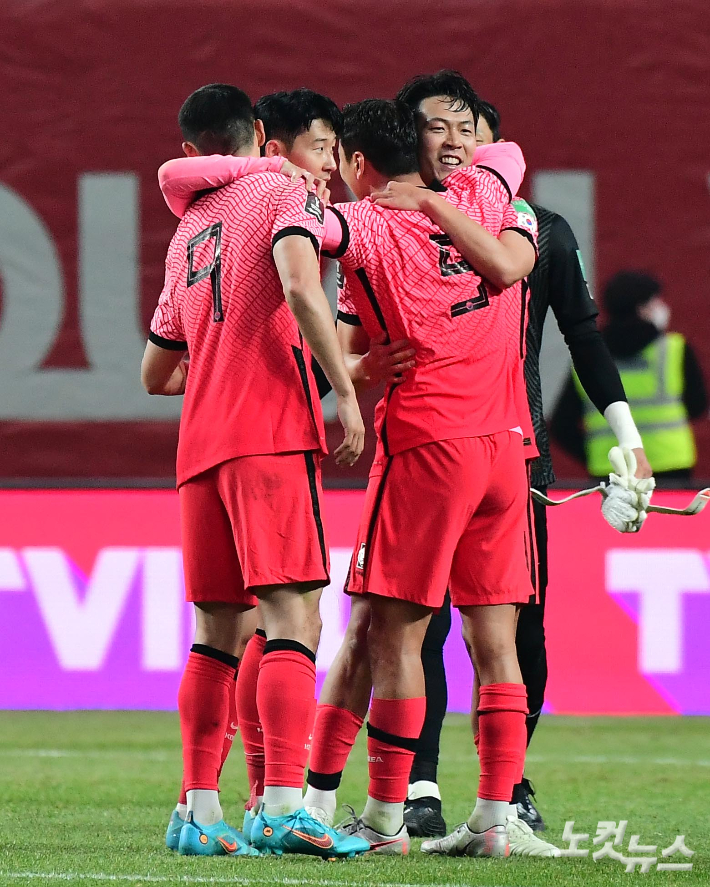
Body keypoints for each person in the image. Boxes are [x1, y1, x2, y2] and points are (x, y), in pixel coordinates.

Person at [157, 88, 414, 845]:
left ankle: (196, 811)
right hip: (266, 436)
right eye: (325, 148)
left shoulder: (189, 228)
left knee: (216, 632)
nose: (330, 167)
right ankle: (280, 804)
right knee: (295, 617)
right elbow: (303, 288)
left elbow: (155, 370)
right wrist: (343, 390)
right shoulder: (282, 192)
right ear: (267, 139)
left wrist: (229, 361)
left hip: (199, 447)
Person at [402, 95, 656, 845]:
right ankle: (420, 785)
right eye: (436, 131)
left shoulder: (542, 232)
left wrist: (628, 438)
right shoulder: (406, 225)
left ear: (495, 143)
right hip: (428, 449)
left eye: (468, 132)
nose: (453, 145)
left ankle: (506, 784)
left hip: (520, 458)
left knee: (523, 629)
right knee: (421, 621)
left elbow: (584, 338)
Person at [551, 271, 708, 481]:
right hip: (670, 466)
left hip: (612, 469)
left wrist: (593, 454)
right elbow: (698, 406)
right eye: (655, 301)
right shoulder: (674, 350)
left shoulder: (587, 357)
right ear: (642, 308)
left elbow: (562, 425)